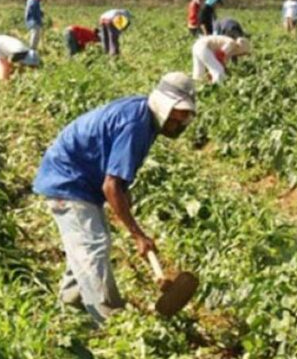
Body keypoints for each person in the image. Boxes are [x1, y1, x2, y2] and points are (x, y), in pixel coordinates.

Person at [33, 72, 198, 324]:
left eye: (185, 117)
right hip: (68, 179)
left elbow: (116, 178)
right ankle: (112, 321)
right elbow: (111, 187)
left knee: (89, 242)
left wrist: (123, 194)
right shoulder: (136, 125)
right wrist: (137, 234)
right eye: (178, 117)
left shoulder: (144, 116)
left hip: (81, 178)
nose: (180, 124)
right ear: (166, 107)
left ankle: (71, 303)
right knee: (93, 245)